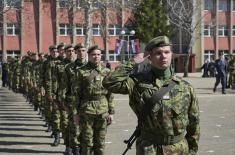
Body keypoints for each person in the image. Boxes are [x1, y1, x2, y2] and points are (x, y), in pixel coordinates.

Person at [103, 36, 200, 155]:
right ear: (150, 57)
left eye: (166, 52)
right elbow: (109, 82)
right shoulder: (137, 83)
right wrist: (133, 62)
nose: (163, 56)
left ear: (171, 55)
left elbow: (194, 123)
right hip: (149, 148)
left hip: (179, 149)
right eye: (158, 53)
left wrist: (192, 150)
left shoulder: (185, 87)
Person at [73, 45, 115, 155]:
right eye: (93, 55)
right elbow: (76, 94)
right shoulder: (80, 72)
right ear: (89, 56)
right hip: (86, 110)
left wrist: (111, 112)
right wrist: (75, 113)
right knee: (87, 142)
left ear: (101, 56)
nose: (96, 57)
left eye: (98, 54)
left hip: (102, 110)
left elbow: (110, 94)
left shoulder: (106, 71)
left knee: (100, 142)